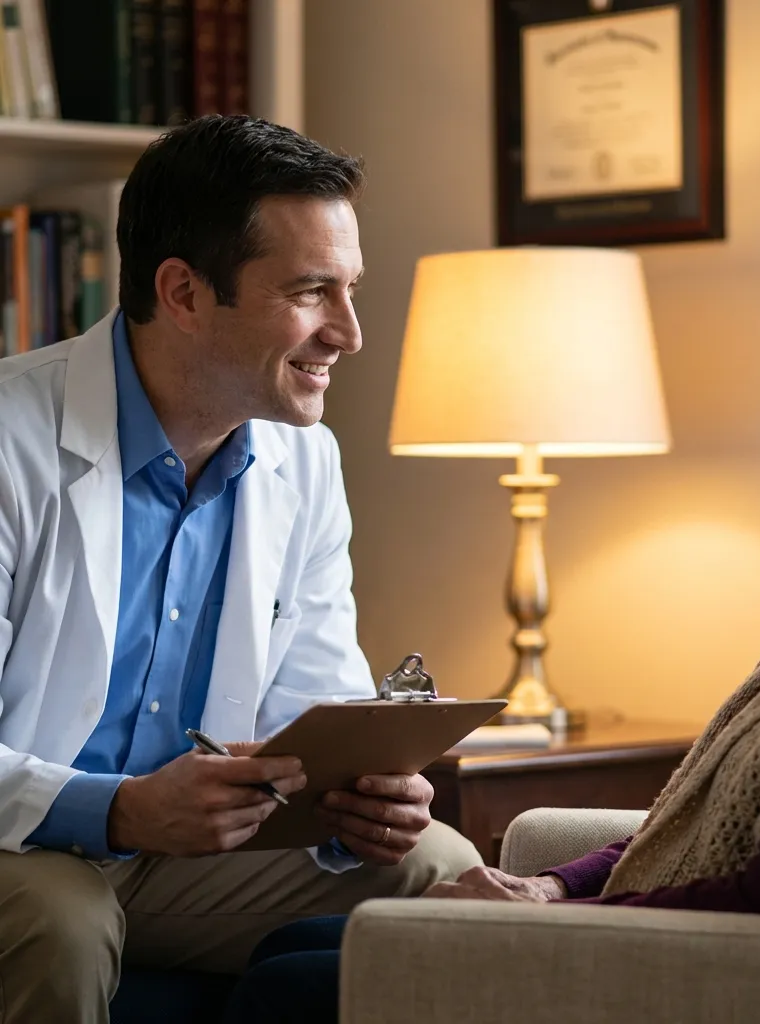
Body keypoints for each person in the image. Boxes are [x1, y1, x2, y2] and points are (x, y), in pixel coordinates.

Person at [221, 225, 760, 1023]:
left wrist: (556, 921)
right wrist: (554, 882)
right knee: (290, 949)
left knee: (286, 984)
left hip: (707, 972)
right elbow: (714, 825)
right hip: (697, 932)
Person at [0, 115, 481, 1024]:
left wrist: (359, 800)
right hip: (22, 848)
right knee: (59, 919)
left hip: (186, 857)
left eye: (351, 291)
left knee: (446, 872)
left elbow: (310, 709)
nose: (348, 332)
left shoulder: (305, 463)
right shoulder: (8, 439)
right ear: (182, 291)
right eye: (311, 292)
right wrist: (120, 811)